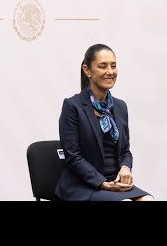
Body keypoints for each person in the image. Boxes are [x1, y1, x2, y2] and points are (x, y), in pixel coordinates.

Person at [55, 44, 154, 201]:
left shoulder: (120, 106)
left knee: (148, 199)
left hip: (114, 182)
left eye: (113, 66)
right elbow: (73, 157)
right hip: (83, 185)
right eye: (103, 66)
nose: (110, 71)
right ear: (87, 70)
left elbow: (125, 151)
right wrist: (103, 184)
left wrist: (125, 167)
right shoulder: (72, 106)